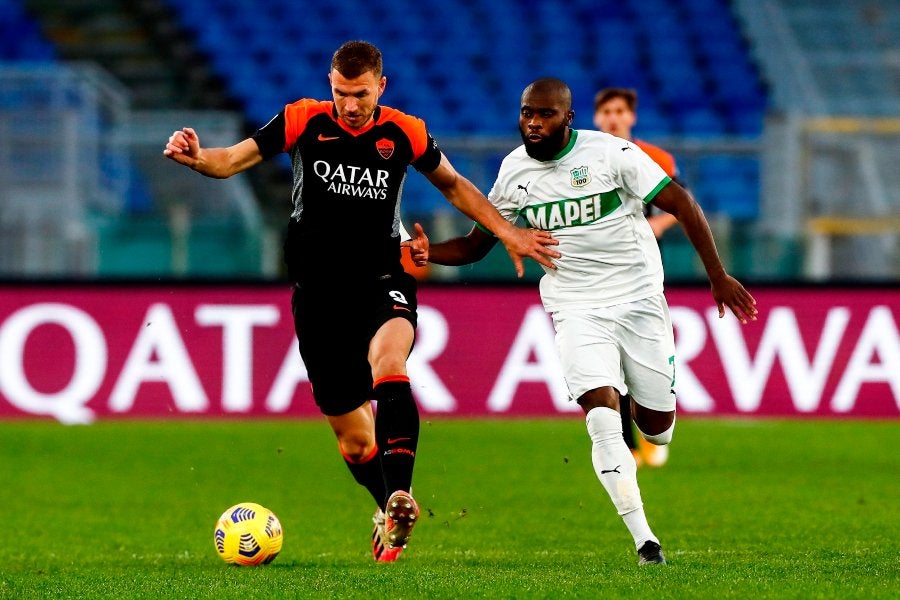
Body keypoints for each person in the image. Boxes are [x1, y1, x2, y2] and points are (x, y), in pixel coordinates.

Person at [163, 41, 559, 563]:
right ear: (330, 83)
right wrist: (196, 158)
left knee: (390, 364)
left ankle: (401, 492)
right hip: (318, 296)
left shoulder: (405, 131)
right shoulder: (302, 119)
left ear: (381, 86)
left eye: (361, 94)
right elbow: (232, 159)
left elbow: (455, 186)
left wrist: (507, 232)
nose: (350, 105)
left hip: (382, 276)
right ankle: (386, 508)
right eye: (342, 93)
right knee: (353, 440)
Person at [404, 78, 757, 566]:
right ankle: (645, 540)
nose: (532, 121)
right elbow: (476, 244)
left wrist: (717, 276)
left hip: (638, 299)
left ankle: (635, 393)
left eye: (544, 114)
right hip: (573, 305)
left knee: (657, 431)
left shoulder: (611, 154)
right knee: (600, 417)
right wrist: (428, 254)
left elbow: (681, 203)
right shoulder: (513, 172)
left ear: (567, 118)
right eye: (526, 112)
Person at [593, 87, 682, 468]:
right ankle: (628, 445)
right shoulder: (586, 157)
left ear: (631, 117)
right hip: (599, 271)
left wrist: (658, 224)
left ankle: (652, 428)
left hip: (643, 272)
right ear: (597, 118)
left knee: (645, 354)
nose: (613, 117)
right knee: (610, 359)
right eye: (607, 111)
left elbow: (681, 204)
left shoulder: (656, 158)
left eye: (619, 111)